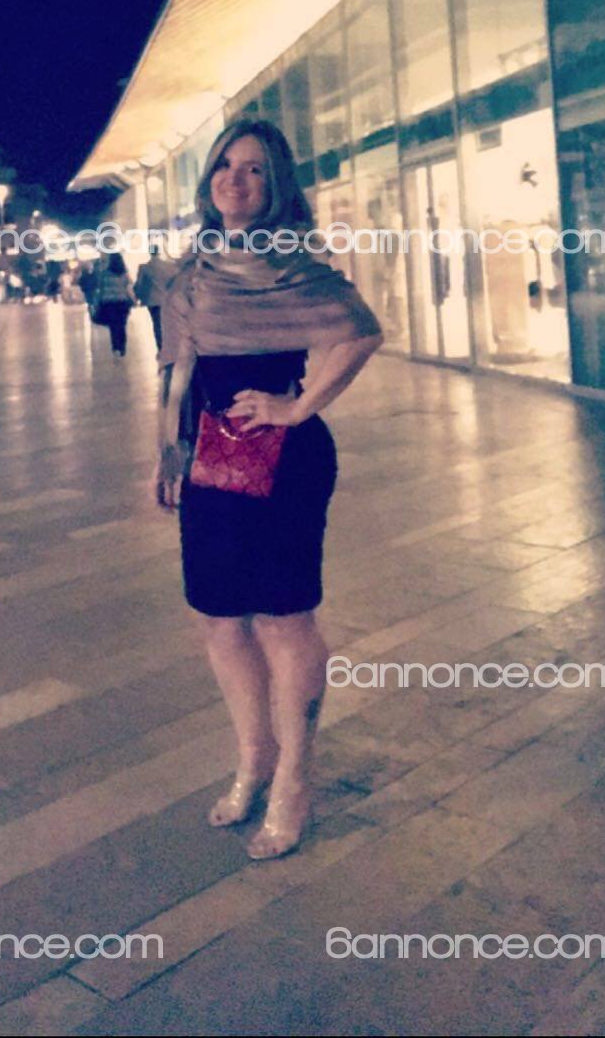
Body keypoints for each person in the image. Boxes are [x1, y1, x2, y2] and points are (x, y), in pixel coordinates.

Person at [156, 119, 382, 861]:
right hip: (208, 458)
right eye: (225, 164)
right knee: (220, 620)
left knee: (285, 621)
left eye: (254, 169)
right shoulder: (190, 271)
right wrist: (168, 453)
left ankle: (294, 779)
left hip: (284, 460)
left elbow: (361, 333)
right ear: (208, 180)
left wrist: (299, 405)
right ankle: (254, 758)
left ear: (276, 184)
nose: (235, 179)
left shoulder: (293, 267)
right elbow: (176, 368)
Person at [133, 244, 176, 352]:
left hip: (152, 301)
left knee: (157, 324)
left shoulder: (144, 268)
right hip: (167, 300)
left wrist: (137, 296)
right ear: (159, 252)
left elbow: (139, 284)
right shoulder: (168, 266)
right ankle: (170, 344)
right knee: (168, 323)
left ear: (150, 252)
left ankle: (161, 347)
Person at [97, 252, 135, 356]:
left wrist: (99, 301)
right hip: (122, 302)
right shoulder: (124, 274)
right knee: (122, 325)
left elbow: (101, 289)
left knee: (113, 326)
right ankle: (122, 348)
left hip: (109, 303)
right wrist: (133, 299)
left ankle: (116, 348)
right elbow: (129, 287)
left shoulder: (105, 273)